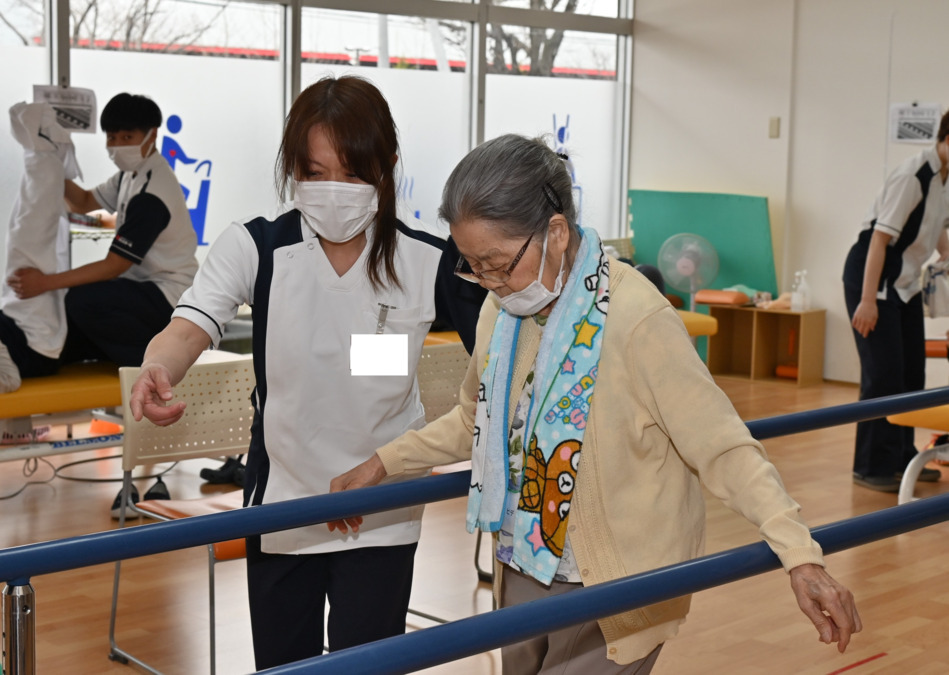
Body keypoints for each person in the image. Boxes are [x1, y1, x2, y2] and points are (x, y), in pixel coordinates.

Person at [330, 134, 862, 673]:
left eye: (495, 263)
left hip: (616, 582)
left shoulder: (636, 320)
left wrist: (801, 556)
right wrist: (384, 463)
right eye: (473, 266)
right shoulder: (502, 309)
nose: (487, 283)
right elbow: (476, 417)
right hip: (522, 561)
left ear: (556, 233)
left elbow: (723, 447)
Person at [128, 75, 485, 669]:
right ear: (291, 168)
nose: (333, 190)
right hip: (285, 497)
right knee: (283, 661)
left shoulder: (430, 261)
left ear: (387, 166)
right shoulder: (254, 247)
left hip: (384, 505)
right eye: (314, 173)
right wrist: (156, 367)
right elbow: (193, 322)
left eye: (351, 172)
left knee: (366, 662)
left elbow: (495, 351)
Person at [7, 92, 198, 371]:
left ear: (152, 135)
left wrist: (45, 282)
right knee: (63, 330)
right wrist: (48, 159)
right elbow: (83, 202)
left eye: (127, 138)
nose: (117, 146)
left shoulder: (152, 192)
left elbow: (114, 266)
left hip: (168, 299)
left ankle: (152, 361)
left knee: (81, 300)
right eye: (111, 138)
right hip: (139, 290)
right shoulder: (128, 176)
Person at [843, 109, 949, 492]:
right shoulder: (913, 175)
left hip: (904, 283)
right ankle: (871, 466)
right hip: (873, 280)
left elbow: (936, 226)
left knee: (911, 374)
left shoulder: (944, 177)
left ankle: (903, 457)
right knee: (883, 375)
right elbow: (878, 239)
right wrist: (867, 301)